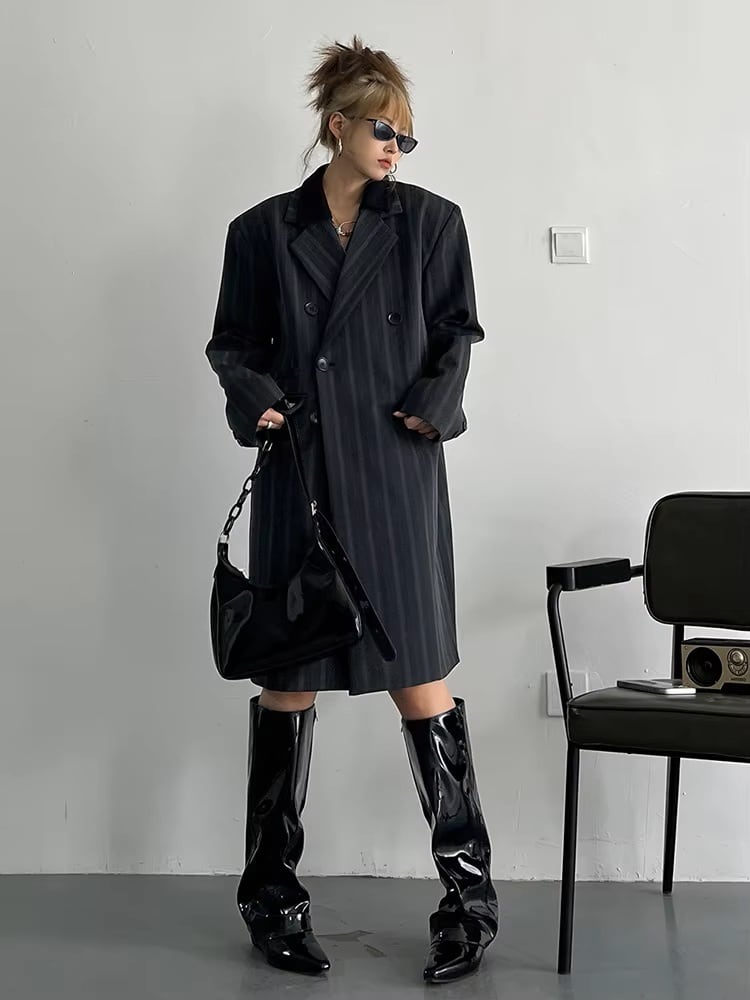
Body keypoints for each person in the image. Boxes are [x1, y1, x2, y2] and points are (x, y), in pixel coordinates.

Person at [205, 34, 498, 985]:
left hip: (395, 473)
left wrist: (434, 403)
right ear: (338, 125)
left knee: (421, 680)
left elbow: (457, 329)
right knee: (287, 684)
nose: (396, 151)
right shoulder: (261, 231)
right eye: (384, 132)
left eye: (407, 138)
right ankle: (271, 901)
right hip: (301, 472)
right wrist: (257, 400)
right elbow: (232, 344)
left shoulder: (430, 223)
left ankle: (469, 903)